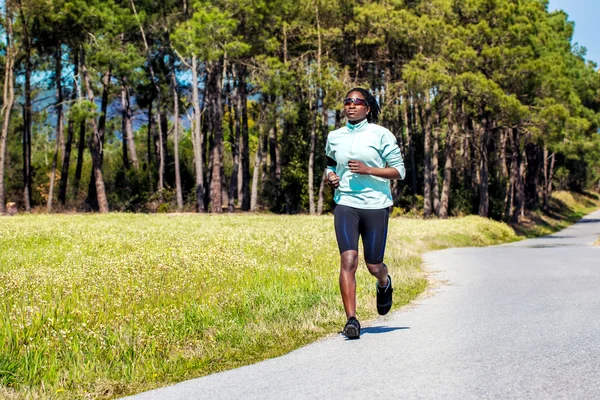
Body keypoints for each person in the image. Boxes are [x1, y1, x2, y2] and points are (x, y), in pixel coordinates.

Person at [325, 87, 406, 339]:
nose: (351, 105)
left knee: (373, 266)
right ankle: (352, 320)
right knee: (348, 260)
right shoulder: (334, 136)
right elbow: (329, 162)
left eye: (357, 102)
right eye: (347, 101)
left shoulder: (380, 134)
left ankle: (384, 282)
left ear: (367, 108)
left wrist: (368, 169)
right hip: (346, 204)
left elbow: (399, 171)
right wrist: (331, 176)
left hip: (376, 205)